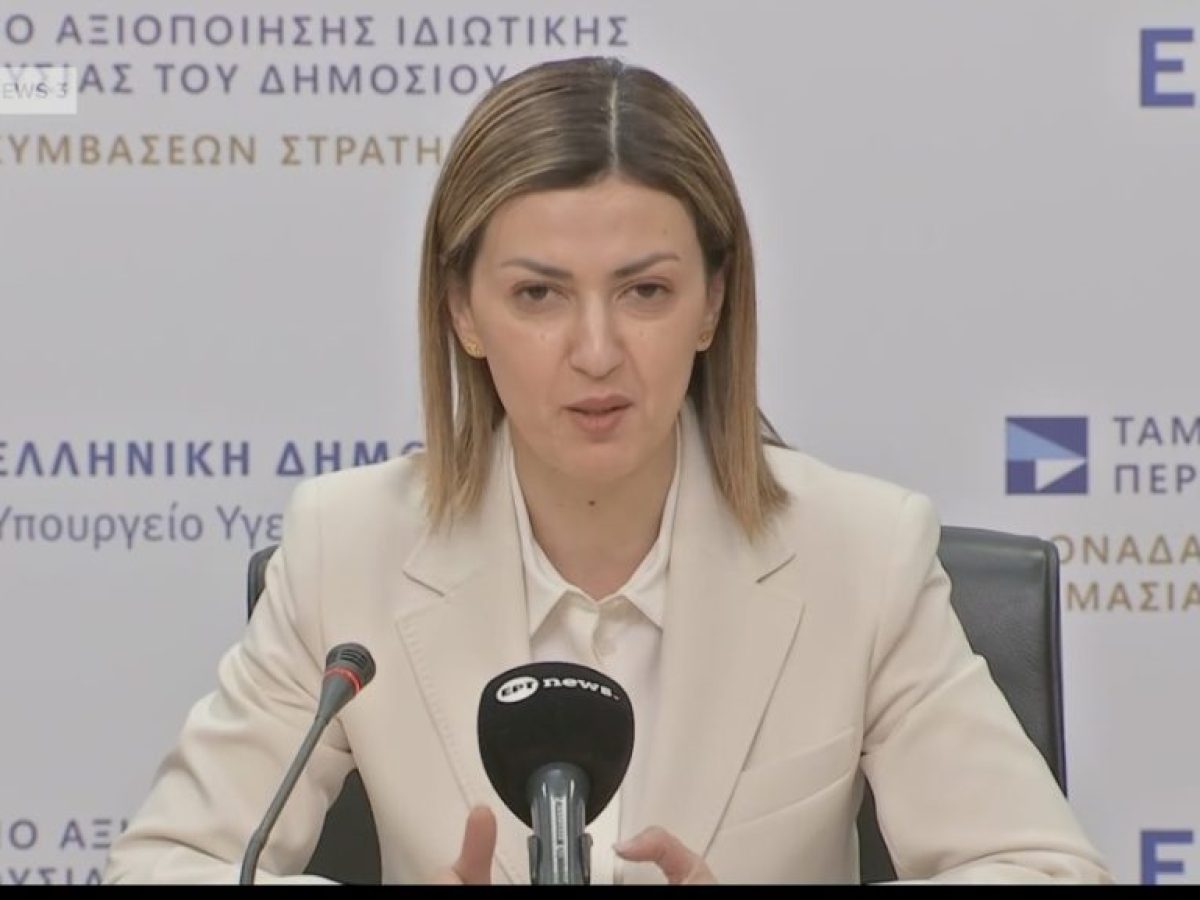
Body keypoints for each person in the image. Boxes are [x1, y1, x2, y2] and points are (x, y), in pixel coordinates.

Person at [103, 56, 1112, 885]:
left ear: (712, 304)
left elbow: (1044, 871)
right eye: (539, 296)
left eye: (645, 292)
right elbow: (165, 866)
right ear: (462, 312)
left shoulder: (860, 555)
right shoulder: (347, 547)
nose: (596, 352)